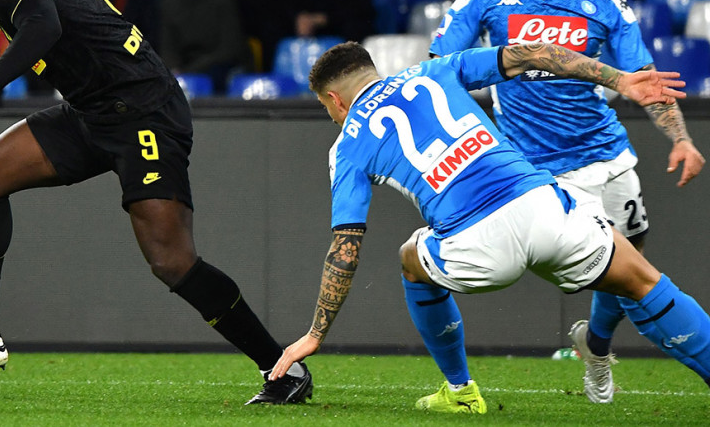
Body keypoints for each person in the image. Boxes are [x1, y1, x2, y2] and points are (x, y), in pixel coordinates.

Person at [0, 0, 313, 404]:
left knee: (171, 261)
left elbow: (43, 25)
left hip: (144, 111)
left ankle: (283, 369)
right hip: (92, 111)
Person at [269, 39, 710, 413]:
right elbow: (533, 52)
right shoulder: (435, 71)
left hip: (477, 248)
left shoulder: (345, 147)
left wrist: (315, 334)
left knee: (410, 257)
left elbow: (345, 247)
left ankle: (461, 392)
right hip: (542, 209)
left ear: (334, 99)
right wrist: (620, 80)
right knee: (646, 284)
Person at [429, 0, 705, 404]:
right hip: (528, 171)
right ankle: (456, 382)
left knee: (631, 268)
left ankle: (596, 348)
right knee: (605, 275)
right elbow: (438, 70)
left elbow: (643, 78)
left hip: (605, 159)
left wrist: (681, 139)